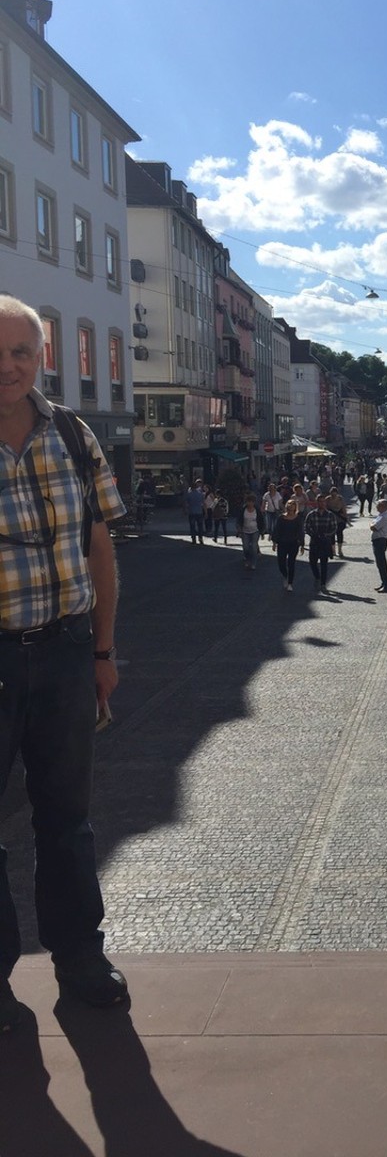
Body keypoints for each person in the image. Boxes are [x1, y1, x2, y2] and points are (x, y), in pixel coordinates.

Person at [0, 295, 129, 1029]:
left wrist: (102, 652)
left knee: (67, 819)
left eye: (21, 352)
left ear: (41, 359)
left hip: (63, 653)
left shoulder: (73, 435)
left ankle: (79, 952)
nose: (8, 366)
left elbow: (100, 550)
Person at [304, 494, 338, 593]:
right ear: (316, 502)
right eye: (319, 501)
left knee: (324, 564)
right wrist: (313, 534)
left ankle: (323, 584)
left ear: (325, 503)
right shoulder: (311, 514)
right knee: (312, 562)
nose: (321, 503)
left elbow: (334, 528)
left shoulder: (330, 515)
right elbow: (306, 526)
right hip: (314, 541)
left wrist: (326, 535)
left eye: (323, 501)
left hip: (325, 542)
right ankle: (317, 577)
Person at [273, 498, 303, 592]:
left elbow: (300, 532)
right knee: (281, 562)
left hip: (293, 543)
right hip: (282, 543)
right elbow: (276, 530)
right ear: (287, 506)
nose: (291, 506)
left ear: (295, 507)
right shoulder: (281, 518)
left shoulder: (297, 519)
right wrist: (274, 542)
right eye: (289, 504)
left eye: (293, 504)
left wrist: (302, 544)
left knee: (291, 563)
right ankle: (285, 575)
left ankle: (290, 583)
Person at [237, 494, 265, 571]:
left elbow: (261, 521)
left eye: (251, 502)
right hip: (245, 531)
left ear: (253, 502)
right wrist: (239, 530)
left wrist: (262, 532)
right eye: (248, 502)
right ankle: (247, 559)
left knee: (253, 547)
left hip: (255, 530)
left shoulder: (257, 511)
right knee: (245, 547)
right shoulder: (243, 510)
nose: (249, 504)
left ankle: (253, 563)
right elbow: (239, 520)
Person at [370, 499, 387, 593]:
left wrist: (371, 524)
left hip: (380, 541)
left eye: (378, 505)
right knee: (379, 564)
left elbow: (374, 527)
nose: (377, 507)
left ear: (384, 506)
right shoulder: (381, 515)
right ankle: (383, 583)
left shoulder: (385, 517)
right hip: (377, 541)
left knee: (382, 564)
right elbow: (373, 524)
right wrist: (372, 523)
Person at [325, 486, 348, 557]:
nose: (333, 495)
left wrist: (345, 517)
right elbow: (325, 508)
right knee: (331, 535)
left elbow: (344, 508)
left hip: (340, 519)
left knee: (339, 534)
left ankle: (340, 550)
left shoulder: (340, 499)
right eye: (332, 494)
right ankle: (333, 550)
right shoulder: (327, 499)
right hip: (330, 519)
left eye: (335, 494)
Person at [185, 479, 206, 544]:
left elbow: (186, 504)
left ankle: (193, 539)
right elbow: (203, 504)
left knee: (192, 526)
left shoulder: (189, 494)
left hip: (191, 512)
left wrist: (186, 510)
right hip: (199, 512)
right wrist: (206, 512)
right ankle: (200, 538)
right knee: (200, 526)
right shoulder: (200, 494)